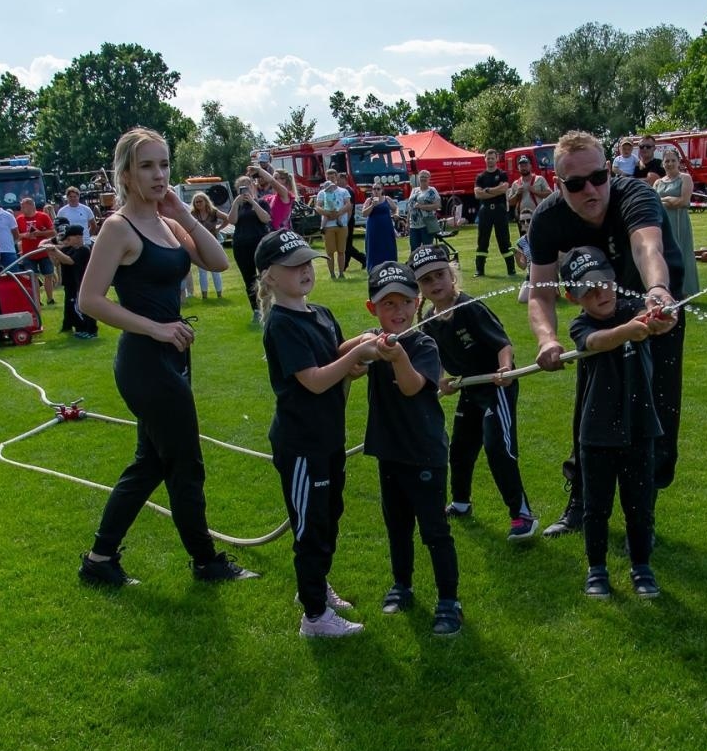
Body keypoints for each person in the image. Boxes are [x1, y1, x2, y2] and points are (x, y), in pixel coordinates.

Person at [76, 127, 257, 588]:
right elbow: (89, 300)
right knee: (185, 463)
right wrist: (156, 327)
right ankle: (205, 561)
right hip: (144, 360)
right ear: (126, 174)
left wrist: (183, 214)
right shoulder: (118, 228)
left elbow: (218, 262)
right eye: (147, 166)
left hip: (173, 356)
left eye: (164, 165)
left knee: (151, 462)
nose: (159, 175)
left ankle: (99, 560)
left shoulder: (169, 223)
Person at [526, 130, 685, 541]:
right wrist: (547, 340)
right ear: (559, 184)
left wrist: (657, 292)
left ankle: (642, 514)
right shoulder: (548, 218)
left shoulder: (636, 195)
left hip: (655, 307)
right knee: (591, 412)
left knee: (656, 414)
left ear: (609, 170)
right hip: (598, 318)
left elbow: (646, 248)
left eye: (598, 177)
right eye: (575, 184)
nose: (590, 190)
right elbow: (539, 292)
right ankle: (581, 501)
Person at [254, 228, 373, 637]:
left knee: (329, 517)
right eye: (293, 266)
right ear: (270, 276)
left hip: (327, 436)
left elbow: (336, 358)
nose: (305, 270)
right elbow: (316, 380)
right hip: (301, 443)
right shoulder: (281, 324)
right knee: (310, 528)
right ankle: (315, 617)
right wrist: (356, 355)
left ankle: (315, 586)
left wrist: (362, 344)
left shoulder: (319, 312)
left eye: (307, 262)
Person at [362, 261, 464, 636]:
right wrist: (361, 347)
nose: (398, 311)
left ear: (416, 302)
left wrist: (396, 356)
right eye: (387, 304)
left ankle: (449, 600)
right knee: (397, 526)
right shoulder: (376, 341)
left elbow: (410, 386)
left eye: (405, 302)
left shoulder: (422, 344)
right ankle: (402, 585)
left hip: (424, 454)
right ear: (373, 309)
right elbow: (347, 361)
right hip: (389, 452)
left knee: (434, 530)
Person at [411, 244, 536, 540]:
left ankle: (522, 514)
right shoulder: (428, 318)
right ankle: (461, 502)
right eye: (427, 280)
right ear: (421, 289)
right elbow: (435, 356)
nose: (435, 284)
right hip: (470, 386)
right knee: (461, 448)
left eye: (440, 275)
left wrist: (504, 370)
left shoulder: (469, 309)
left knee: (497, 447)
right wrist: (441, 379)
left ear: (452, 276)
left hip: (495, 386)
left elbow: (503, 344)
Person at [561, 246, 664, 600]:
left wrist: (659, 318)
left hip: (639, 425)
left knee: (639, 504)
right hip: (597, 431)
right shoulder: (581, 324)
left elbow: (656, 322)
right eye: (587, 289)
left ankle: (641, 566)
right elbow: (595, 342)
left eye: (603, 283)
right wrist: (628, 332)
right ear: (573, 296)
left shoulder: (633, 308)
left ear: (615, 280)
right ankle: (597, 569)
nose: (599, 293)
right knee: (596, 507)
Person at [652, 147, 700, 300]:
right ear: (663, 164)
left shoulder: (684, 178)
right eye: (667, 161)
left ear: (679, 162)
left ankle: (684, 290)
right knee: (663, 255)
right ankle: (667, 290)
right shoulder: (658, 182)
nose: (670, 164)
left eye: (673, 160)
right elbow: (653, 202)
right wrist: (669, 200)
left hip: (679, 222)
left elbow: (683, 201)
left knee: (682, 254)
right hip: (662, 223)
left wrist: (664, 201)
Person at [229, 175, 271, 322]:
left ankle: (268, 307)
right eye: (241, 186)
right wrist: (235, 203)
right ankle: (256, 310)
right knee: (249, 279)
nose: (245, 188)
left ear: (253, 186)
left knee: (265, 276)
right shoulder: (237, 206)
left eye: (247, 184)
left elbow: (266, 218)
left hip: (259, 244)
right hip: (241, 245)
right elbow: (232, 220)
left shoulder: (261, 202)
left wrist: (253, 201)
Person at [46, 224, 98, 338]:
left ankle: (91, 331)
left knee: (85, 308)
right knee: (76, 307)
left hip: (84, 283)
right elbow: (58, 262)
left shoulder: (84, 250)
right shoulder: (70, 249)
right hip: (75, 283)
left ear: (78, 237)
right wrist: (51, 253)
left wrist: (55, 250)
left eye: (69, 238)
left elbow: (70, 261)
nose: (67, 240)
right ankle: (82, 328)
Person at [473, 149, 514, 278]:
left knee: (504, 240)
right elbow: (477, 194)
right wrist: (495, 191)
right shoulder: (480, 176)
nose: (490, 160)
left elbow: (504, 188)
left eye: (492, 158)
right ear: (484, 159)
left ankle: (511, 270)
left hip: (499, 210)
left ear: (496, 159)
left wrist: (488, 190)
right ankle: (480, 270)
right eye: (488, 158)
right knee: (482, 240)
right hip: (485, 211)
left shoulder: (502, 174)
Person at [15, 197, 57, 305]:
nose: (22, 209)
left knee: (48, 274)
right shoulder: (19, 219)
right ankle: (37, 300)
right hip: (28, 253)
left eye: (23, 206)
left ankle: (50, 298)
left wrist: (40, 233)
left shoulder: (43, 216)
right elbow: (16, 235)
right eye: (21, 206)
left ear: (31, 206)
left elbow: (53, 232)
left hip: (44, 250)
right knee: (33, 277)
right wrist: (26, 235)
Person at [313, 168, 353, 279]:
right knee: (330, 252)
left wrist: (338, 213)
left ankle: (341, 273)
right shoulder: (322, 192)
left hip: (341, 225)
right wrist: (327, 214)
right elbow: (317, 206)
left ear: (336, 178)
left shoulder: (343, 191)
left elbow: (348, 204)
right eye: (328, 177)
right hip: (328, 226)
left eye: (332, 177)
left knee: (341, 251)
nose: (330, 179)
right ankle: (332, 274)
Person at [188, 192, 228, 298]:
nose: (198, 204)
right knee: (202, 271)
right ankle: (204, 295)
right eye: (196, 202)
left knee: (216, 270)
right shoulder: (192, 214)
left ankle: (219, 294)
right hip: (199, 244)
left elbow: (227, 218)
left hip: (213, 242)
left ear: (206, 202)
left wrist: (219, 229)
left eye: (200, 201)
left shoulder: (213, 212)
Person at [507, 154, 551, 235]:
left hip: (538, 215)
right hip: (522, 217)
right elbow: (510, 202)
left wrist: (535, 192)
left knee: (540, 237)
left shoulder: (539, 179)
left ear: (530, 166)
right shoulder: (515, 184)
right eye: (521, 166)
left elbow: (549, 194)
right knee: (524, 240)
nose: (524, 168)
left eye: (526, 165)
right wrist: (517, 194)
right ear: (518, 168)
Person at [361, 181, 399, 270]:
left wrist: (396, 214)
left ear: (382, 190)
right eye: (374, 189)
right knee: (374, 247)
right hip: (373, 228)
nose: (376, 191)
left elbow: (395, 208)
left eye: (378, 189)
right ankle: (374, 268)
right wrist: (372, 205)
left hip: (386, 227)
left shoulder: (387, 199)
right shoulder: (369, 200)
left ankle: (391, 267)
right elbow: (364, 214)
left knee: (388, 246)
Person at [405, 170, 441, 251]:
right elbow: (410, 207)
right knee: (414, 249)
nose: (423, 178)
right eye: (421, 177)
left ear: (429, 179)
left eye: (425, 177)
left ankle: (428, 264)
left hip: (426, 225)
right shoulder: (414, 190)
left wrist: (422, 206)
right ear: (418, 178)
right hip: (413, 226)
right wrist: (407, 222)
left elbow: (437, 205)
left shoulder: (432, 190)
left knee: (427, 249)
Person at [253, 166, 296, 232]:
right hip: (272, 233)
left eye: (276, 178)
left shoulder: (285, 195)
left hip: (282, 234)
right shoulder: (270, 197)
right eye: (274, 177)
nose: (273, 179)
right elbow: (256, 203)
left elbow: (272, 181)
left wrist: (259, 170)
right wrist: (254, 188)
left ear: (284, 180)